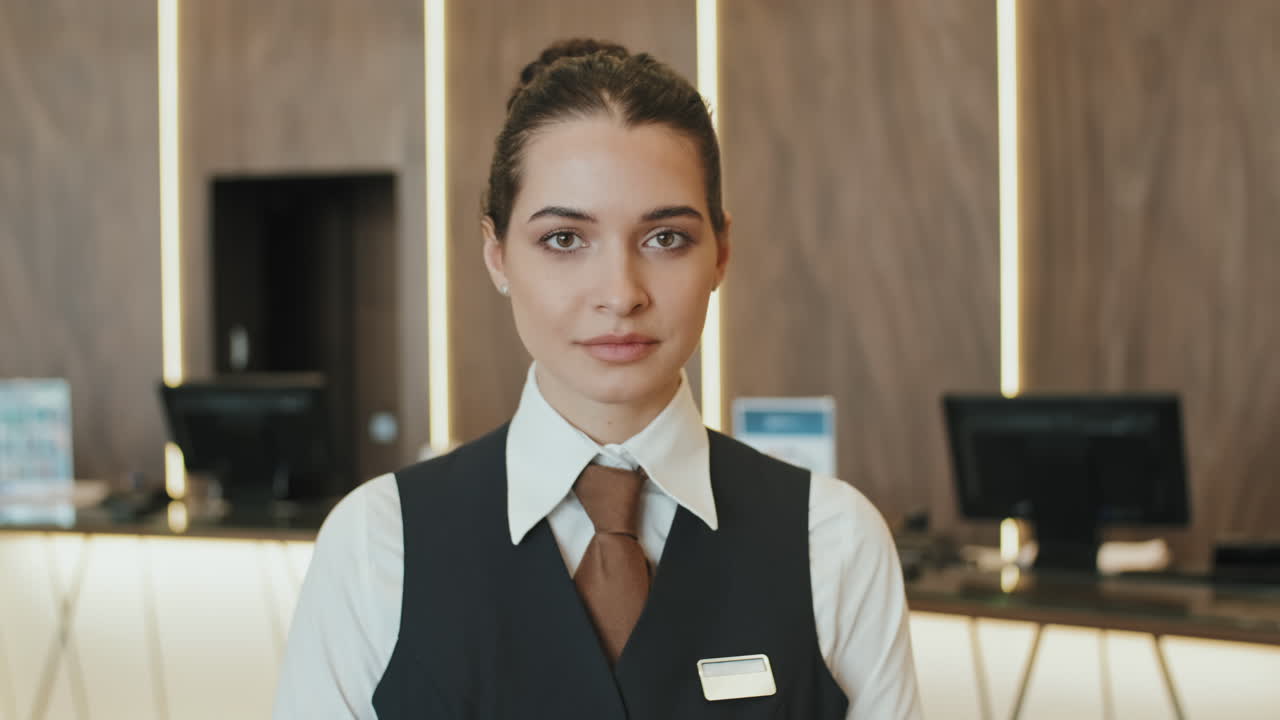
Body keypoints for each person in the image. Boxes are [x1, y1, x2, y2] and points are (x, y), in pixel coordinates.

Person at [274, 38, 922, 719]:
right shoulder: (376, 547)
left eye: (665, 238)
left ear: (722, 252)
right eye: (564, 239)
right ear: (496, 255)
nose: (620, 293)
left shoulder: (836, 542)